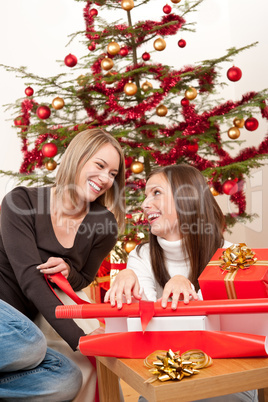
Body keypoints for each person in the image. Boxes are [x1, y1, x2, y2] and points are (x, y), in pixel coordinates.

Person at [105, 164, 258, 402]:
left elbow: (228, 334)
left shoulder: (232, 257)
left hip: (229, 380)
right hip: (166, 379)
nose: (144, 205)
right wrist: (127, 279)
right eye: (146, 196)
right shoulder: (141, 256)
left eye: (156, 193)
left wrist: (182, 285)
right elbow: (141, 330)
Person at [0, 128, 126, 401]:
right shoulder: (21, 202)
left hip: (20, 328)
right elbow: (30, 279)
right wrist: (81, 339)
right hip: (9, 318)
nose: (105, 179)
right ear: (77, 158)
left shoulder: (103, 225)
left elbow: (84, 277)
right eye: (100, 165)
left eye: (113, 174)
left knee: (68, 379)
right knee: (30, 345)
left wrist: (69, 269)